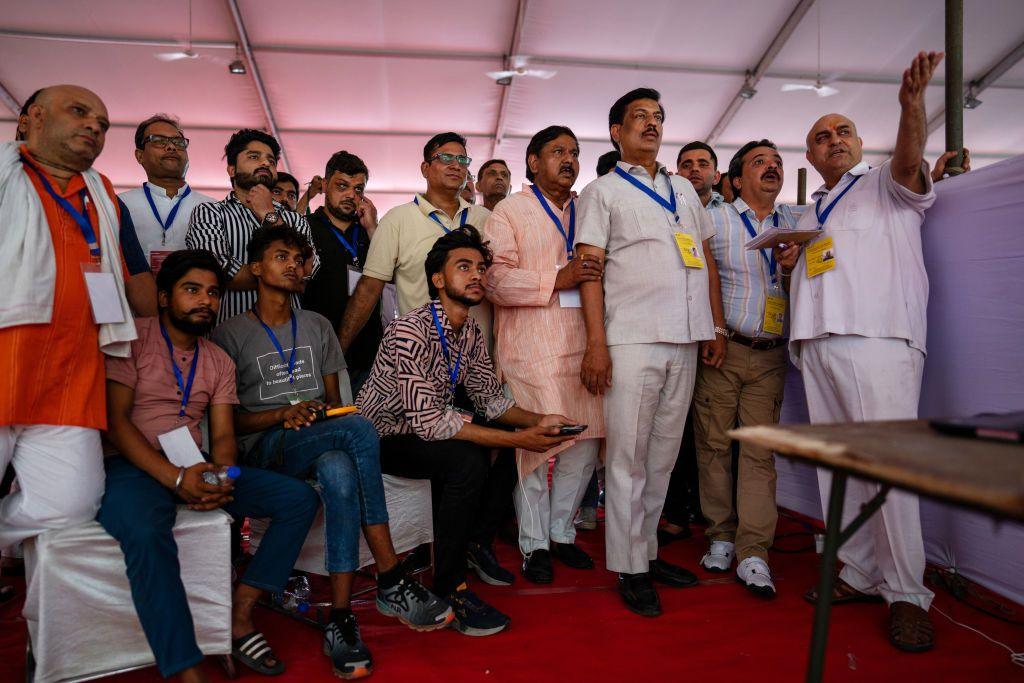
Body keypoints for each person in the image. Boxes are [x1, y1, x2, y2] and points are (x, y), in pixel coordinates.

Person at [214, 225, 451, 679]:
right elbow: (229, 421)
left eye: (299, 259)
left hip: (320, 437)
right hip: (265, 448)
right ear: (256, 268)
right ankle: (390, 574)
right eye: (281, 256)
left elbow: (335, 402)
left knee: (341, 469)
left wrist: (318, 414)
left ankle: (341, 618)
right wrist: (282, 415)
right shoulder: (231, 334)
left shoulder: (319, 325)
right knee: (359, 431)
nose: (293, 265)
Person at [99, 249, 320, 681]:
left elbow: (222, 436)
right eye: (192, 290)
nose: (205, 301)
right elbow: (115, 424)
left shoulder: (217, 357)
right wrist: (176, 478)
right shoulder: (133, 339)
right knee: (145, 531)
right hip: (134, 467)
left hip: (198, 466)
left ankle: (241, 613)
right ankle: (184, 666)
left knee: (298, 498)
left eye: (214, 293)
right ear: (164, 297)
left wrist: (221, 475)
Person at [789, 51, 944, 653]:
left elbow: (910, 158)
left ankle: (907, 593)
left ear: (858, 143)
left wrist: (912, 108)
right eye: (821, 137)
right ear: (810, 156)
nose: (833, 141)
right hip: (818, 343)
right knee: (840, 471)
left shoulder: (886, 183)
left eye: (842, 132)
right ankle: (855, 569)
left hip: (878, 339)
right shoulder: (809, 210)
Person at [357, 225, 576, 633]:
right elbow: (432, 422)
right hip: (380, 436)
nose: (477, 275)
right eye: (464, 267)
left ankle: (474, 541)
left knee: (513, 450)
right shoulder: (410, 330)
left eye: (480, 267)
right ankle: (449, 586)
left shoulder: (469, 330)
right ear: (438, 280)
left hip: (421, 429)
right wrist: (516, 436)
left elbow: (492, 400)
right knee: (467, 460)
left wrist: (539, 421)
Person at [575, 87, 727, 617]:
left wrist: (714, 325)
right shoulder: (601, 192)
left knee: (662, 457)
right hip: (632, 338)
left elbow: (704, 256)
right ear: (616, 132)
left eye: (658, 117)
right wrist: (596, 343)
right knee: (626, 459)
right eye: (638, 117)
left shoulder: (685, 188)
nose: (651, 124)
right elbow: (589, 273)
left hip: (685, 338)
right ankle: (628, 565)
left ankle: (649, 550)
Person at [337, 132, 513, 584]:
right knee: (459, 459)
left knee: (494, 456)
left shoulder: (489, 218)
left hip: (475, 358)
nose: (455, 165)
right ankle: (436, 559)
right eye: (444, 158)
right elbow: (371, 288)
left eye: (462, 158)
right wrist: (335, 354)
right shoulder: (399, 221)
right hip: (419, 368)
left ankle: (473, 542)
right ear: (425, 168)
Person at [1, 85, 136, 554]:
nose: (94, 127)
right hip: (5, 366)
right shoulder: (4, 177)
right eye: (80, 112)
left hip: (70, 381)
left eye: (102, 124)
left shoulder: (102, 196)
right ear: (31, 118)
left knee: (71, 507)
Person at [483, 126, 605, 583]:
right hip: (530, 349)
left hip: (586, 344)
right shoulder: (510, 211)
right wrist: (558, 277)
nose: (569, 159)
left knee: (585, 444)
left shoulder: (590, 209)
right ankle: (534, 545)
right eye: (558, 152)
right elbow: (494, 280)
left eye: (574, 152)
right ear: (533, 162)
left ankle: (562, 533)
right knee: (536, 448)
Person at [692, 139, 806, 598]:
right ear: (736, 180)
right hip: (724, 349)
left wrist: (794, 267)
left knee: (760, 454)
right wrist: (713, 330)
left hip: (770, 354)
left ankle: (754, 551)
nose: (772, 167)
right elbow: (697, 276)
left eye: (777, 162)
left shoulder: (797, 225)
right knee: (715, 446)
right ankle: (720, 535)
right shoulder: (714, 219)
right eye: (760, 162)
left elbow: (814, 284)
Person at [186, 128, 318, 325]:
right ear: (232, 170)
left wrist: (268, 214)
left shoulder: (297, 220)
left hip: (290, 338)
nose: (265, 162)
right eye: (254, 157)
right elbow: (217, 272)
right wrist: (287, 276)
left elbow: (309, 270)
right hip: (229, 338)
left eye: (271, 161)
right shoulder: (209, 213)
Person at [301, 151, 382, 395]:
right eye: (342, 186)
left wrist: (373, 228)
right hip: (319, 354)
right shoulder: (306, 228)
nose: (351, 195)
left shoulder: (369, 231)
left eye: (358, 189)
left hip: (369, 355)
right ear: (324, 186)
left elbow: (394, 276)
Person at [119, 114, 215, 272]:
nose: (171, 147)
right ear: (140, 156)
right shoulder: (120, 205)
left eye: (178, 142)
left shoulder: (211, 207)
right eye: (159, 141)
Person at [677, 141, 725, 210]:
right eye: (686, 165)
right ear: (677, 177)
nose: (694, 169)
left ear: (716, 177)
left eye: (703, 165)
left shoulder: (733, 215)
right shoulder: (665, 212)